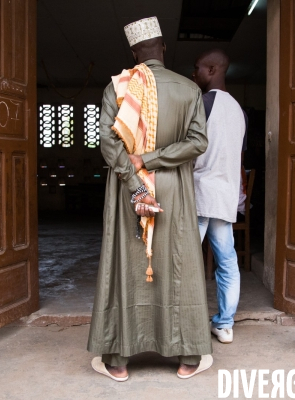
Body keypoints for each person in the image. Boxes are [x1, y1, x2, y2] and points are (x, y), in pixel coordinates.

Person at [87, 16, 213, 382]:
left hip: (128, 189)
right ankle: (188, 358)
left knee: (126, 267)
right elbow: (197, 143)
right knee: (179, 265)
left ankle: (119, 361)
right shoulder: (189, 89)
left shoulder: (118, 88)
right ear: (163, 48)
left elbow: (109, 145)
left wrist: (135, 177)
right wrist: (155, 159)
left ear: (134, 54)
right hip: (173, 188)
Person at [192, 49, 246, 344]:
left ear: (212, 69)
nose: (194, 73)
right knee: (227, 261)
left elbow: (189, 149)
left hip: (200, 194)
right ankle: (224, 325)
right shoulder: (238, 110)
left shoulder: (203, 103)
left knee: (185, 260)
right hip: (224, 197)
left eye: (197, 67)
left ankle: (184, 323)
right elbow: (237, 159)